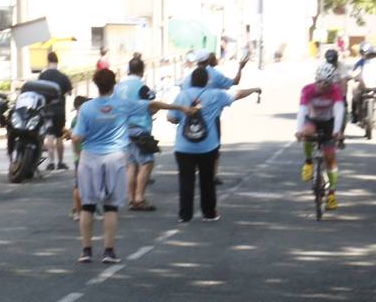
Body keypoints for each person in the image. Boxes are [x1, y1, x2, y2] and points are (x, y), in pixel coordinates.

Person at [72, 68, 195, 263]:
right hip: (115, 158)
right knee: (111, 207)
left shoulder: (86, 108)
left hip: (90, 159)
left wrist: (78, 153)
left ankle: (86, 250)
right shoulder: (124, 104)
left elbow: (77, 137)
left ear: (96, 85)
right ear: (114, 85)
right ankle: (109, 251)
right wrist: (182, 108)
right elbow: (153, 104)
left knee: (87, 206)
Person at [167, 65, 262, 222]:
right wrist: (253, 90)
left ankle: (185, 215)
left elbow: (171, 118)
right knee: (207, 180)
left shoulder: (181, 96)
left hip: (184, 146)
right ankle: (209, 212)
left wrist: (181, 119)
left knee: (186, 181)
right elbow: (237, 94)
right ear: (207, 81)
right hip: (208, 146)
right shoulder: (216, 95)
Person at [297, 62, 347, 209]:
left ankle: (331, 192)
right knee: (306, 133)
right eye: (319, 81)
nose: (322, 85)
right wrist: (299, 130)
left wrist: (337, 131)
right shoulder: (308, 90)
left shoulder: (335, 91)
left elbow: (339, 112)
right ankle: (308, 162)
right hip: (312, 120)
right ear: (316, 79)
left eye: (326, 83)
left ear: (331, 83)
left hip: (329, 122)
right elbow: (302, 111)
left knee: (330, 157)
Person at [197, 49, 248, 186]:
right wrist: (240, 68)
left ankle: (200, 171)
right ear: (209, 60)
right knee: (214, 146)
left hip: (193, 116)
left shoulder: (190, 76)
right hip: (212, 116)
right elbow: (234, 83)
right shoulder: (215, 74)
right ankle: (212, 174)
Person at [113, 55, 158, 211]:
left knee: (131, 165)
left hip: (122, 129)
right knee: (147, 163)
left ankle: (131, 198)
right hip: (140, 129)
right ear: (142, 71)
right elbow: (153, 107)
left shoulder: (118, 87)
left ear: (128, 69)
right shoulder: (143, 87)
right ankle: (139, 197)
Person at [38, 51, 74, 170]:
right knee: (59, 136)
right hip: (59, 110)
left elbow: (38, 92)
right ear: (57, 61)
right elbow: (69, 92)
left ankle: (51, 162)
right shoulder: (62, 76)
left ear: (48, 62)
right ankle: (61, 162)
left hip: (47, 110)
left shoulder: (43, 76)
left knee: (50, 135)